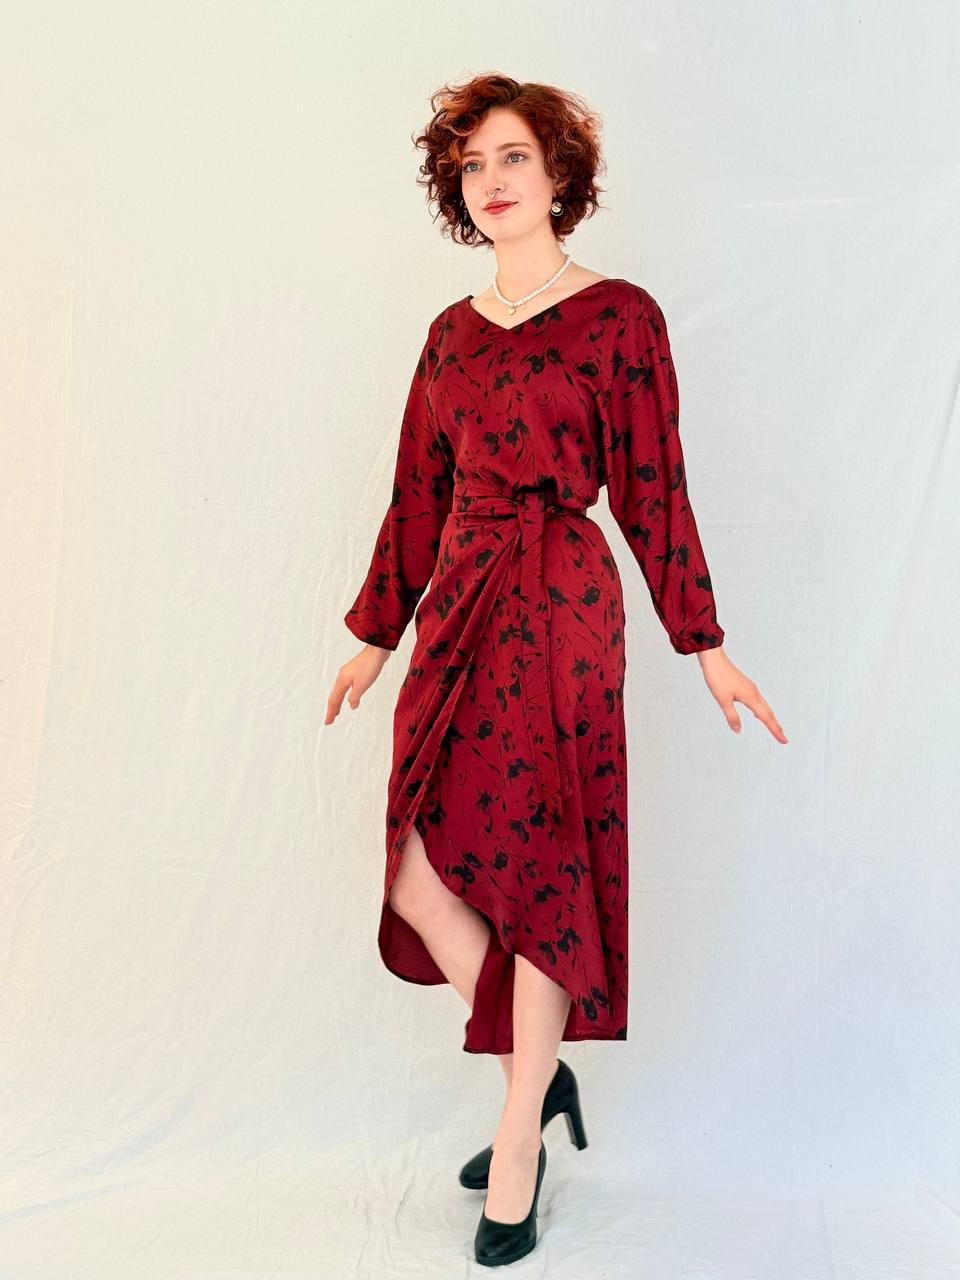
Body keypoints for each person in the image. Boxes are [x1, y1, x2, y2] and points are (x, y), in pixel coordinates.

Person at [326, 73, 787, 1267]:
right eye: (473, 164)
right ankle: (540, 1072)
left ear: (559, 173)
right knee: (419, 872)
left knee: (541, 868)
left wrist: (706, 644)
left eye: (515, 156)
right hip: (460, 605)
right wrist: (377, 635)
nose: (494, 180)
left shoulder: (620, 317)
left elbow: (655, 488)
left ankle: (518, 1138)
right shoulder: (449, 334)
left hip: (566, 606)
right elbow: (416, 493)